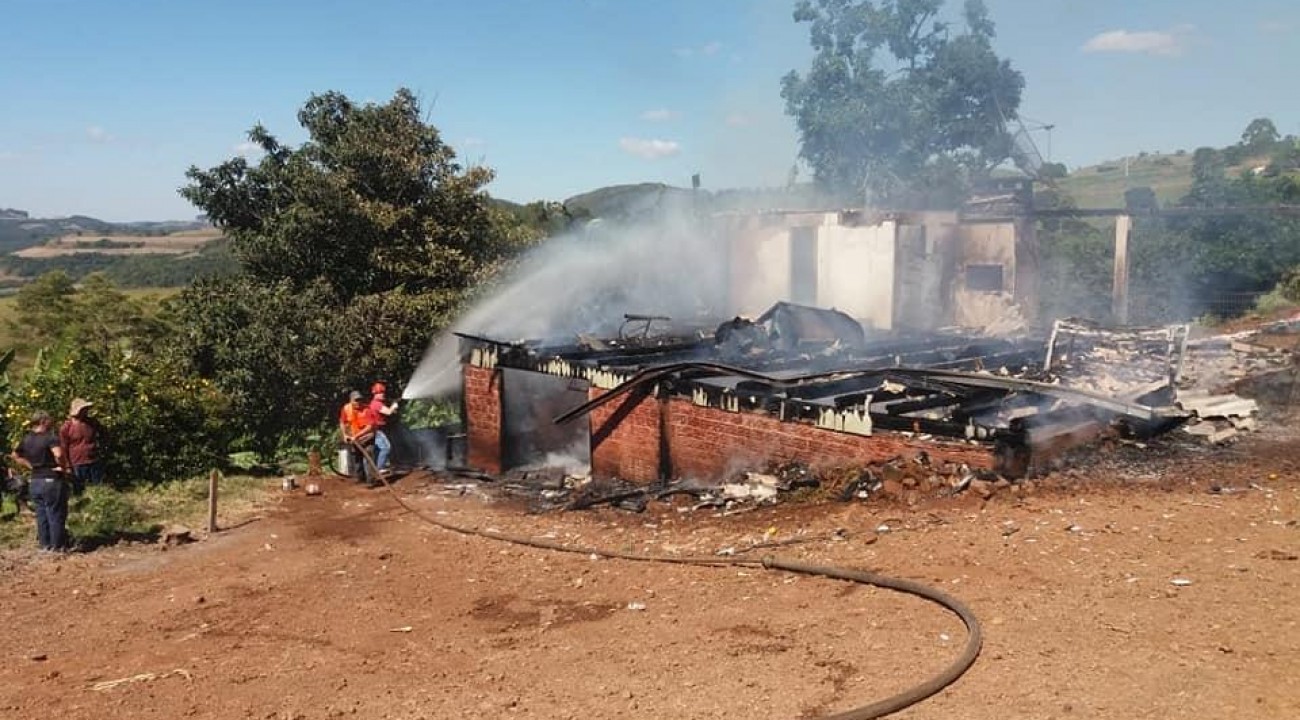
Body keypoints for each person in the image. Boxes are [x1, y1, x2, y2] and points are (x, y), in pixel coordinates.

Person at [12, 411, 69, 552]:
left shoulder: (26, 439)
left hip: (35, 480)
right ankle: (57, 547)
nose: (52, 422)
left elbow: (15, 455)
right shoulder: (50, 438)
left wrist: (30, 465)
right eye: (50, 420)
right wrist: (62, 466)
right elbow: (59, 454)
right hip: (51, 479)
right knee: (55, 513)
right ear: (43, 421)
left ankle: (45, 545)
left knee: (41, 515)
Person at [59, 397, 104, 494]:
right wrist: (67, 465)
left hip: (94, 459)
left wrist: (100, 448)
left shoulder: (92, 422)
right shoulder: (66, 427)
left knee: (98, 487)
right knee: (79, 489)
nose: (86, 411)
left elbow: (104, 434)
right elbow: (64, 447)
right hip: (77, 462)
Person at [338, 390, 377, 486]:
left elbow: (369, 427)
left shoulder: (367, 410)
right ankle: (360, 478)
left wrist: (356, 436)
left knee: (368, 457)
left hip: (367, 437)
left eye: (360, 400)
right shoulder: (346, 409)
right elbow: (342, 422)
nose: (358, 402)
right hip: (355, 438)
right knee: (357, 458)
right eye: (356, 400)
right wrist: (345, 435)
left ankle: (371, 481)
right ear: (351, 400)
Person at [368, 382, 400, 476]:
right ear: (375, 394)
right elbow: (389, 412)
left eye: (383, 392)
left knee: (379, 449)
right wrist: (394, 405)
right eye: (381, 393)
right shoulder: (377, 404)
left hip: (378, 429)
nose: (383, 394)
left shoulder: (376, 403)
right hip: (377, 429)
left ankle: (382, 466)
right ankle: (380, 468)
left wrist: (394, 407)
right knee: (386, 447)